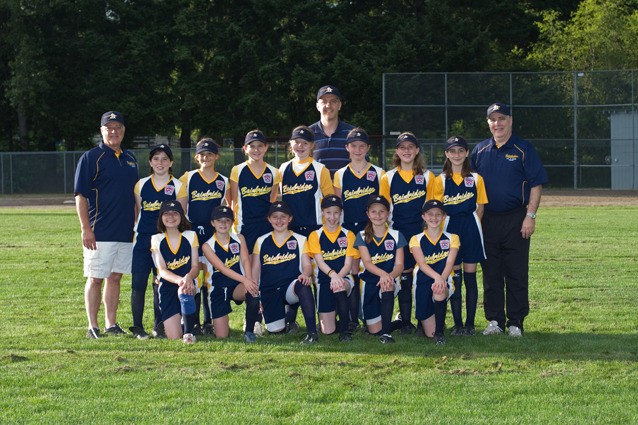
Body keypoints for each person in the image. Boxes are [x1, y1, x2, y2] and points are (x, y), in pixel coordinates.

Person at [470, 102, 548, 337]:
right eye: (493, 119)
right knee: (491, 273)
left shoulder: (523, 149)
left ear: (510, 120)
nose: (498, 123)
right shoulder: (480, 150)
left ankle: (516, 322)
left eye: (502, 118)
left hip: (516, 219)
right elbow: (469, 185)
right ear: (488, 123)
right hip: (487, 220)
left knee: (516, 272)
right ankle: (495, 320)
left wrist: (530, 216)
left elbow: (536, 184)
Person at [74, 111, 138, 339]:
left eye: (118, 127)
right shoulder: (91, 157)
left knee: (115, 277)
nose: (113, 131)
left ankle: (111, 324)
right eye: (109, 128)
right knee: (96, 278)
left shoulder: (130, 158)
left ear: (123, 131)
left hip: (125, 231)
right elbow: (80, 195)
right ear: (101, 131)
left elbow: (134, 196)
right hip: (99, 231)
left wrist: (135, 226)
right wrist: (86, 228)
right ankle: (93, 326)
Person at [431, 136, 488, 337]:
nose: (457, 155)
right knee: (455, 278)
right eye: (452, 151)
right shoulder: (440, 180)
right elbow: (436, 211)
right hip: (450, 228)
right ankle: (457, 323)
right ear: (446, 154)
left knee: (470, 277)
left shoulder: (476, 178)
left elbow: (480, 207)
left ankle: (470, 324)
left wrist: (473, 226)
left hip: (470, 228)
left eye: (460, 150)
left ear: (466, 153)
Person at [379, 132, 435, 334]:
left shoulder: (427, 176)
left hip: (421, 234)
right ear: (397, 151)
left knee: (423, 276)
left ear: (417, 150)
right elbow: (384, 211)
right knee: (404, 277)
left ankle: (424, 319)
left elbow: (433, 209)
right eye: (402, 147)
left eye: (411, 147)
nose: (407, 151)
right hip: (399, 233)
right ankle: (405, 321)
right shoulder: (388, 177)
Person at [130, 144, 187, 339]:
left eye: (164, 159)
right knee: (138, 283)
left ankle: (159, 325)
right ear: (150, 162)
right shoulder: (141, 184)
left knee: (161, 282)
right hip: (143, 239)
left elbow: (180, 216)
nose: (160, 162)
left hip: (165, 241)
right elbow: (139, 213)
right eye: (156, 159)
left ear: (171, 162)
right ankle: (138, 327)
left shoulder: (178, 186)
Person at [333, 128, 384, 331]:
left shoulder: (378, 173)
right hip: (348, 228)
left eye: (362, 146)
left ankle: (371, 314)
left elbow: (383, 205)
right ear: (347, 147)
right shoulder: (340, 174)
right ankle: (353, 317)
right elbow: (338, 205)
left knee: (370, 270)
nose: (357, 150)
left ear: (368, 148)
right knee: (353, 271)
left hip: (371, 228)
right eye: (353, 146)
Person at [179, 138, 230, 336]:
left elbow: (228, 207)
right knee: (193, 276)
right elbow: (182, 208)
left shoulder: (223, 180)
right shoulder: (188, 177)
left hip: (213, 235)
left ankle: (209, 321)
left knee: (211, 277)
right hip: (193, 233)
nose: (206, 157)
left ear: (217, 156)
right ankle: (192, 321)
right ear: (196, 157)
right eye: (202, 154)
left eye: (210, 154)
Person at [251, 201, 318, 344]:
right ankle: (288, 317)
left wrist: (305, 274)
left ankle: (312, 333)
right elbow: (255, 270)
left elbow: (307, 265)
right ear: (269, 219)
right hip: (269, 290)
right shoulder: (261, 241)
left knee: (303, 284)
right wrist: (256, 295)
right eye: (275, 217)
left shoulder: (300, 239)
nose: (279, 220)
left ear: (290, 218)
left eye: (283, 216)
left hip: (290, 288)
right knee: (276, 331)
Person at [201, 206, 260, 342]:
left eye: (227, 220)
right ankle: (220, 324)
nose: (223, 223)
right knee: (222, 336)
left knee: (253, 292)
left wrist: (249, 280)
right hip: (218, 288)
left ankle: (249, 331)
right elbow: (222, 268)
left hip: (236, 285)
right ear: (212, 223)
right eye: (219, 220)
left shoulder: (239, 238)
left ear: (232, 222)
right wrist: (245, 280)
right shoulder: (207, 246)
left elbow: (245, 260)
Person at [354, 196, 405, 344]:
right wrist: (383, 274)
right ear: (368, 214)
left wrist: (388, 277)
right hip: (369, 282)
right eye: (374, 212)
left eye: (382, 211)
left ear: (388, 213)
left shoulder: (396, 235)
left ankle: (386, 334)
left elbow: (400, 265)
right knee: (374, 330)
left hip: (390, 280)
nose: (378, 215)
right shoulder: (361, 235)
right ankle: (397, 323)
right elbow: (367, 262)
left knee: (387, 285)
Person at [306, 195, 358, 341]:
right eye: (328, 212)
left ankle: (345, 331)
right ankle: (339, 314)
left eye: (336, 212)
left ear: (341, 213)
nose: (332, 217)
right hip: (324, 280)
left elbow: (348, 264)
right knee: (327, 331)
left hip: (344, 277)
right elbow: (320, 262)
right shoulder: (315, 235)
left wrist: (337, 278)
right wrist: (332, 275)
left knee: (339, 287)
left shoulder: (348, 234)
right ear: (322, 212)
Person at [409, 200, 459, 345]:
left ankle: (440, 333)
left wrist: (441, 279)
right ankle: (431, 326)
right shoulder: (416, 239)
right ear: (423, 216)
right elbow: (422, 264)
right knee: (429, 333)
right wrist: (437, 277)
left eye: (438, 214)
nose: (434, 218)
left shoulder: (452, 238)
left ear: (444, 217)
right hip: (422, 282)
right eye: (430, 214)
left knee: (439, 290)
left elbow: (450, 262)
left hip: (444, 280)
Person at [150, 201, 199, 343]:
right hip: (167, 287)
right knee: (173, 336)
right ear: (161, 217)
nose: (171, 216)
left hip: (188, 284)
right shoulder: (156, 239)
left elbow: (195, 266)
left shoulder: (191, 235)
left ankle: (188, 332)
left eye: (175, 213)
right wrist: (180, 280)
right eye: (166, 213)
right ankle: (184, 319)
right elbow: (162, 271)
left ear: (181, 216)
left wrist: (188, 277)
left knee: (184, 289)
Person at [229, 129, 281, 253]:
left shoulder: (274, 172)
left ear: (266, 147)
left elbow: (272, 200)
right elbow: (234, 201)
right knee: (245, 261)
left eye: (260, 146)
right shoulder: (237, 170)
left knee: (264, 259)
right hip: (244, 225)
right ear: (245, 148)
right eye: (252, 146)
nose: (256, 150)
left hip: (265, 224)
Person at [279, 125, 334, 237]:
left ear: (312, 145)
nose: (300, 146)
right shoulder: (283, 169)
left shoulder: (320, 169)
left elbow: (330, 201)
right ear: (290, 143)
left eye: (305, 143)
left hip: (314, 226)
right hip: (289, 227)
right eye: (297, 142)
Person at [310, 85, 355, 173]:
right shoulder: (308, 134)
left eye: (333, 101)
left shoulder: (353, 133)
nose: (328, 105)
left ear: (339, 105)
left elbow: (363, 166)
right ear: (317, 106)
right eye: (324, 101)